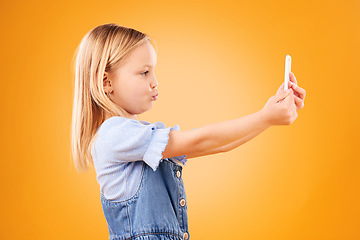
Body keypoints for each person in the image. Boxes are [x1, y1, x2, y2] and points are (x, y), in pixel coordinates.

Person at [71, 23, 306, 240]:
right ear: (106, 82)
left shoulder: (138, 136)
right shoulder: (114, 134)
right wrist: (264, 117)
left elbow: (217, 145)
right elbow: (198, 141)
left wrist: (268, 118)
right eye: (144, 72)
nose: (155, 82)